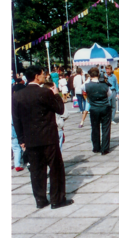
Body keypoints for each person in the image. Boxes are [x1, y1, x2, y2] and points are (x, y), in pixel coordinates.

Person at [12, 65, 73, 209]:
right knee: (55, 168)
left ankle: (40, 200)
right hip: (48, 137)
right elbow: (59, 109)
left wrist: (21, 139)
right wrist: (56, 94)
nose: (44, 76)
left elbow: (16, 119)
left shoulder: (17, 95)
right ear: (37, 76)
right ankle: (57, 199)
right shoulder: (44, 92)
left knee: (37, 171)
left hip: (30, 139)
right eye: (42, 74)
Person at [84, 67, 112, 155]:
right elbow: (109, 95)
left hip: (94, 108)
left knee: (95, 128)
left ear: (90, 75)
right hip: (104, 107)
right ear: (98, 74)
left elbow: (82, 90)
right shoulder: (105, 85)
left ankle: (96, 147)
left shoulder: (86, 85)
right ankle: (105, 149)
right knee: (106, 128)